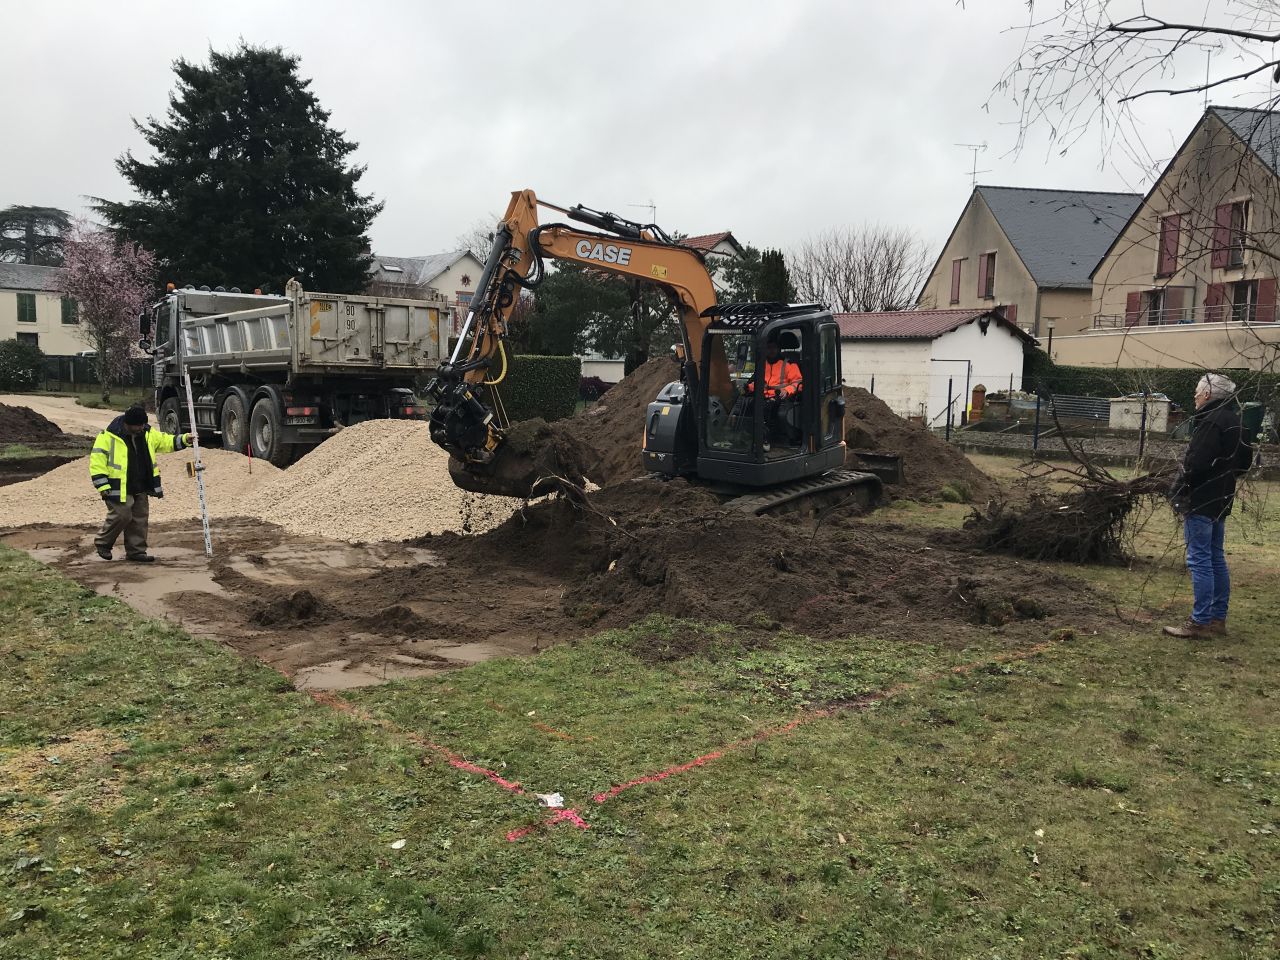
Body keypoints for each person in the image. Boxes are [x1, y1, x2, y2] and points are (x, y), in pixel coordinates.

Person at [1163, 373, 1253, 639]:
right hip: (1222, 498)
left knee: (1199, 559)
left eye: (1196, 392)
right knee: (1215, 557)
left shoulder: (1210, 422)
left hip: (1202, 499)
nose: (1194, 396)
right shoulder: (1237, 423)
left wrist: (1182, 487)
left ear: (1207, 395)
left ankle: (1200, 621)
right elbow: (1243, 465)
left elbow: (1197, 463)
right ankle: (1216, 619)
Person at [90, 405, 192, 563]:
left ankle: (136, 552)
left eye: (143, 424)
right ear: (128, 424)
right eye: (138, 425)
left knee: (139, 519)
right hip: (117, 486)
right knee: (122, 514)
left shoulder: (147, 433)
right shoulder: (107, 437)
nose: (141, 428)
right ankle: (103, 543)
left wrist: (185, 439)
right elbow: (97, 462)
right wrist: (102, 485)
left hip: (141, 485)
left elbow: (166, 442)